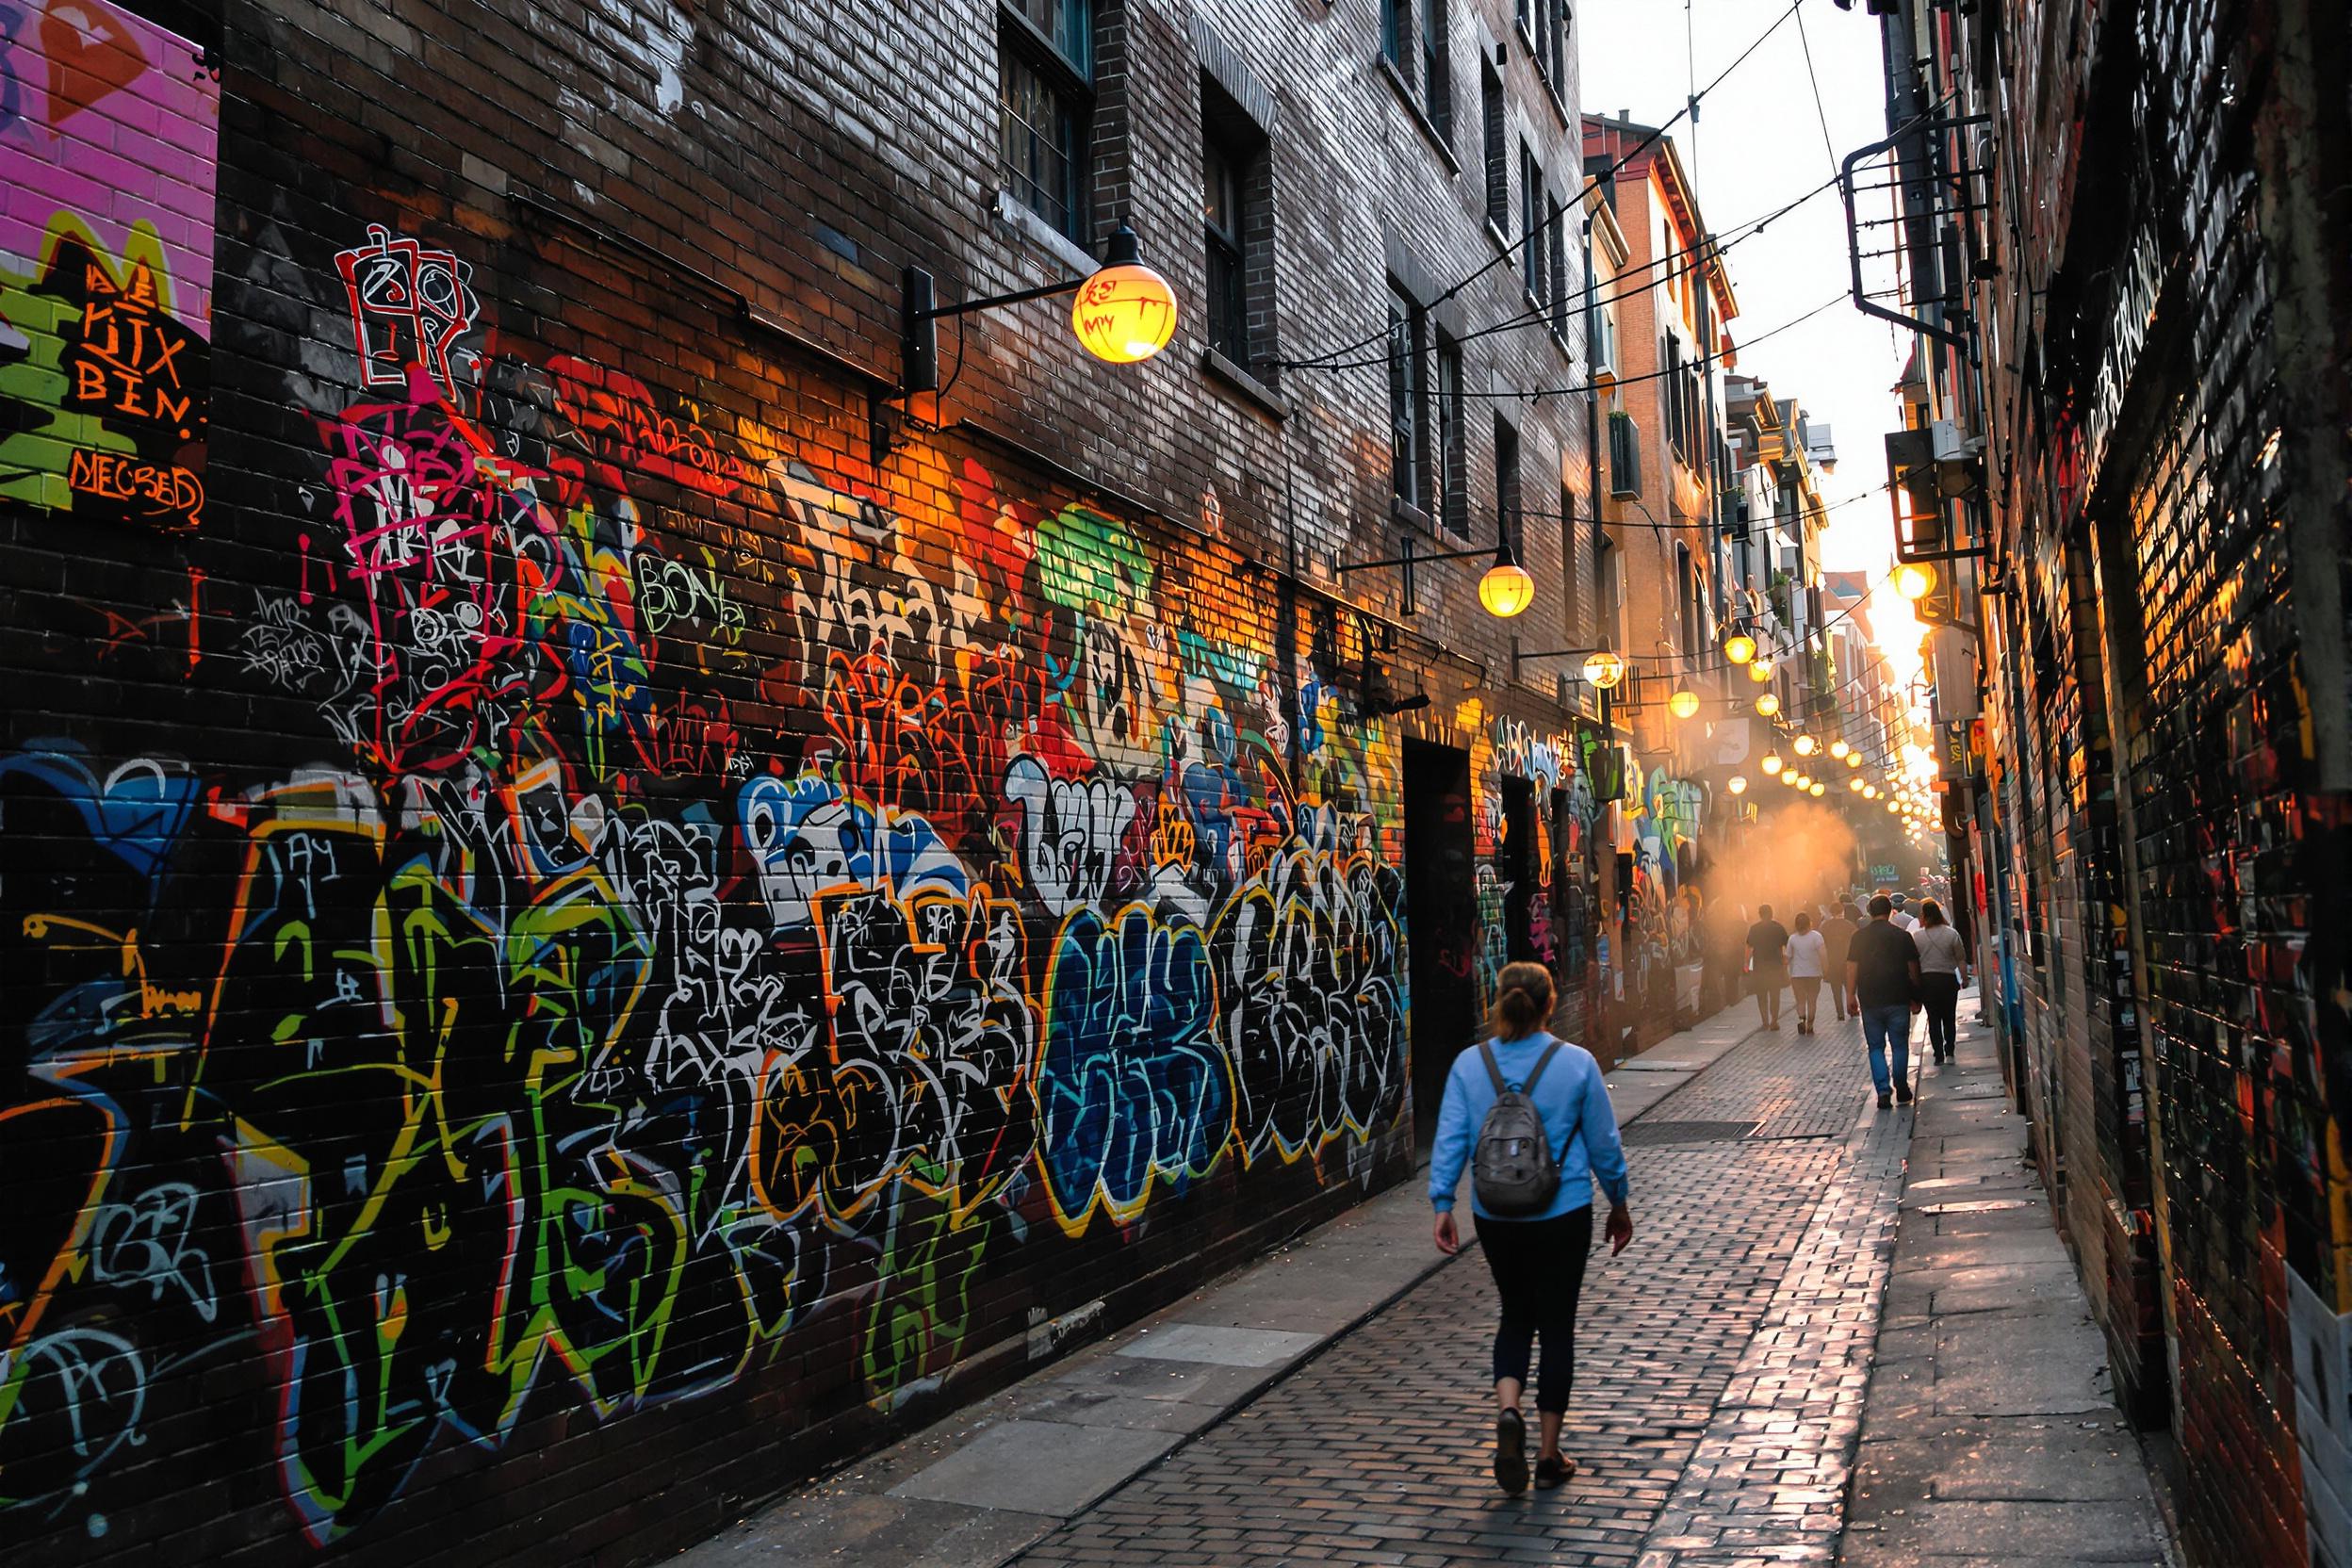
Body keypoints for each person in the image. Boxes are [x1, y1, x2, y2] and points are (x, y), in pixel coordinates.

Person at [1429, 962, 1633, 1494]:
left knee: (1515, 1315)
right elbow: (1604, 1144)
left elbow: (1451, 1138)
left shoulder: (1469, 1065)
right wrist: (1618, 1201)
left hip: (1496, 1214)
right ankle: (1547, 1454)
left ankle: (1508, 1409)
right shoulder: (1577, 1064)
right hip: (1562, 1212)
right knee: (1557, 1325)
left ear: (1496, 1002)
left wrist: (1443, 1203)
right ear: (1550, 1003)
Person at [1847, 895, 1923, 1108]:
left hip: (1870, 999)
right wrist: (1917, 995)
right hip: (1898, 997)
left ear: (1870, 912)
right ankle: (1901, 1086)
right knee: (1899, 1045)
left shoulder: (1859, 937)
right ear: (1890, 911)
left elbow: (1852, 966)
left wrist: (1850, 995)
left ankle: (1882, 1090)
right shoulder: (1902, 936)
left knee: (1875, 1047)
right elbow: (1914, 968)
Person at [1912, 897, 1970, 1064]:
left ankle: (1938, 1054)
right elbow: (1960, 959)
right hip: (1948, 980)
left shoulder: (1917, 936)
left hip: (1927, 981)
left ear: (1924, 916)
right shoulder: (1951, 933)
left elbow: (1914, 962)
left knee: (1933, 1018)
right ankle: (1950, 1051)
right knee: (1949, 1017)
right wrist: (1964, 979)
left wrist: (1915, 983)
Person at [1745, 903, 1790, 1029]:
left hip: (1760, 967)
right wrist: (1786, 959)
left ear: (1760, 915)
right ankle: (1774, 1021)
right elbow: (1786, 945)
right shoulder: (1778, 927)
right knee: (1775, 995)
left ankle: (1765, 1021)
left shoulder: (1754, 928)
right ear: (1772, 914)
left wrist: (1746, 963)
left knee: (1761, 995)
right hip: (1775, 966)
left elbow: (1749, 947)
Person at [1786, 910, 1828, 1034]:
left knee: (1800, 1000)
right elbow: (1823, 955)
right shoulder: (1817, 936)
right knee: (1812, 1000)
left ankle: (1802, 1019)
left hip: (1797, 975)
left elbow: (1787, 957)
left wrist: (1784, 970)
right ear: (1809, 923)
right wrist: (1825, 969)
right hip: (1814, 974)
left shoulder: (1792, 939)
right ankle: (1810, 1025)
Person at [1820, 901, 1859, 1020]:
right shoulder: (1849, 925)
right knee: (1850, 989)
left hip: (1832, 962)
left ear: (1831, 912)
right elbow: (1856, 943)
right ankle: (1852, 1010)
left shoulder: (1825, 926)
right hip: (1847, 961)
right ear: (1842, 911)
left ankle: (1840, 1014)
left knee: (1836, 991)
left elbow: (1822, 945)